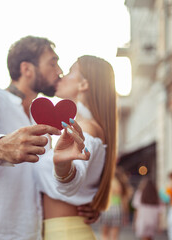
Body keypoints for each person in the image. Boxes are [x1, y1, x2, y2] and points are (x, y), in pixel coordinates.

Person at [0, 36, 98, 240]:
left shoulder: (39, 119)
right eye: (52, 62)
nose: (59, 71)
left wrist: (80, 203)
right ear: (27, 69)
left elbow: (47, 183)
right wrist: (0, 146)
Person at [33, 55, 117, 239]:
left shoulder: (86, 128)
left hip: (64, 232)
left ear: (83, 85)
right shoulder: (85, 127)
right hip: (62, 231)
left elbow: (75, 172)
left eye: (71, 71)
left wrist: (63, 167)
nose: (62, 76)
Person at [99, 167, 133, 240]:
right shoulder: (120, 185)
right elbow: (124, 201)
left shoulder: (106, 184)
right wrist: (126, 215)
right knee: (115, 236)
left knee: (105, 234)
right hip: (117, 209)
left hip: (107, 209)